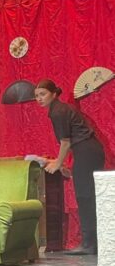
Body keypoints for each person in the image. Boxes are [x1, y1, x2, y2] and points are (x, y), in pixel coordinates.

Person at [34, 78, 105, 255]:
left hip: (87, 151)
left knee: (85, 196)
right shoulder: (59, 109)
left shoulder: (58, 111)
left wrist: (58, 163)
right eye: (36, 96)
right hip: (87, 151)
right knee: (86, 195)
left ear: (54, 94)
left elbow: (65, 142)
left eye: (43, 94)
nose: (39, 98)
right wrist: (63, 164)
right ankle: (92, 242)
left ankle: (89, 244)